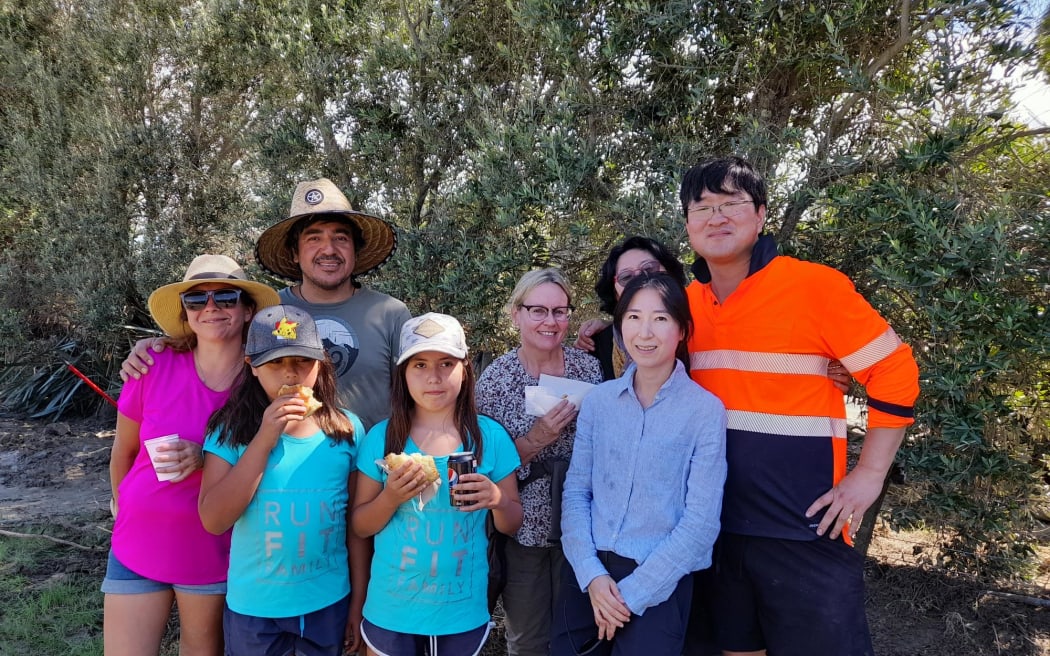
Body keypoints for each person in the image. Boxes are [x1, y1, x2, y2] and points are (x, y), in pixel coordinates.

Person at [680, 156, 920, 656]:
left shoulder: (814, 287)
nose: (716, 217)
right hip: (714, 531)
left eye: (731, 203)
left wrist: (870, 474)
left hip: (806, 529)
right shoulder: (685, 307)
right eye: (702, 207)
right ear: (688, 225)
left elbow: (894, 369)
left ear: (761, 215)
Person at [122, 177, 411, 429]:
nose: (328, 249)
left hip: (374, 465)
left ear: (355, 250)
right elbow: (217, 338)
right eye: (314, 238)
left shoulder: (390, 314)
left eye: (341, 238)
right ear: (294, 253)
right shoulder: (270, 313)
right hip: (285, 466)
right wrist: (159, 346)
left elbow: (413, 393)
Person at [104, 254, 279, 656]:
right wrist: (120, 506)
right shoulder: (150, 364)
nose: (211, 307)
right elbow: (123, 451)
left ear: (248, 310)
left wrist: (207, 456)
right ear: (186, 313)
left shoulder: (264, 379)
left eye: (226, 297)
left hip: (213, 547)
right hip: (137, 538)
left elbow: (273, 461)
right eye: (197, 300)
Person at [553, 272, 726, 656]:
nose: (645, 332)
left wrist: (631, 595)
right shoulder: (599, 402)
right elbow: (577, 491)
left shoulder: (704, 411)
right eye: (633, 317)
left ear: (682, 330)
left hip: (660, 579)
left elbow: (700, 523)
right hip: (587, 573)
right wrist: (591, 574)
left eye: (660, 318)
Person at [198, 304, 368, 656]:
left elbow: (355, 526)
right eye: (275, 363)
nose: (290, 374)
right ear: (252, 365)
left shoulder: (346, 429)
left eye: (302, 361)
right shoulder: (230, 431)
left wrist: (358, 603)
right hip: (255, 608)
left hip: (328, 601)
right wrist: (265, 436)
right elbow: (214, 519)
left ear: (320, 362)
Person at [352, 312, 522, 655]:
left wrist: (497, 499)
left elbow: (512, 523)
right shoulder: (382, 438)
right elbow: (360, 526)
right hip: (392, 610)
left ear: (465, 369)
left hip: (461, 611)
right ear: (403, 373)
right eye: (420, 365)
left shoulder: (490, 437)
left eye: (446, 363)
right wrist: (390, 498)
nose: (434, 377)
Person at [474, 268, 604, 656]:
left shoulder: (588, 369)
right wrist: (535, 439)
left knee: (579, 634)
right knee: (528, 639)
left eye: (560, 311)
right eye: (539, 311)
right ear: (517, 314)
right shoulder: (496, 380)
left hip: (583, 527)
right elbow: (482, 466)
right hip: (523, 531)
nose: (551, 321)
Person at [585, 236, 687, 380]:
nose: (640, 281)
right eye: (626, 277)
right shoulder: (597, 346)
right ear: (615, 293)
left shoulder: (698, 326)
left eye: (649, 269)